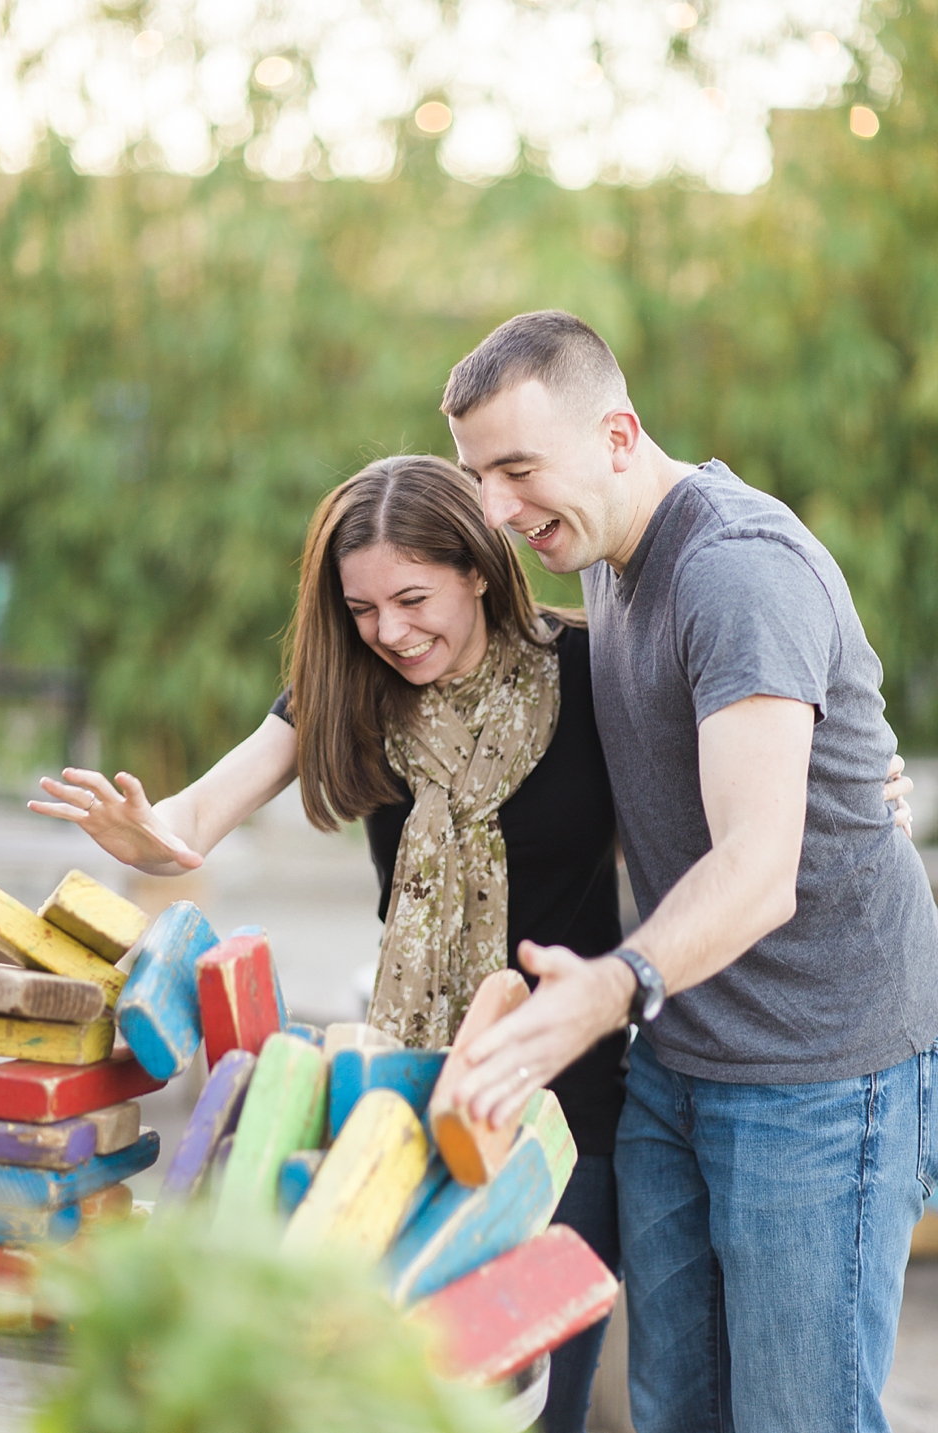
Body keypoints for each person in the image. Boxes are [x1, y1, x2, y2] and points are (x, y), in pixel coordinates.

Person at [31, 453, 628, 1430]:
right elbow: (199, 810)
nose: (389, 631)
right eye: (362, 608)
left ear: (478, 564)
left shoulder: (595, 671)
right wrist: (153, 831)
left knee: (536, 1409)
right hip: (393, 1103)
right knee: (391, 1403)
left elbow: (730, 768)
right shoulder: (349, 686)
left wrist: (872, 781)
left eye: (412, 597)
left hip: (566, 1113)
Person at [438, 309, 938, 1433]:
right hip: (682, 1057)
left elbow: (761, 870)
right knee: (679, 1411)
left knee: (796, 1416)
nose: (500, 510)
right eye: (481, 476)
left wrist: (605, 990)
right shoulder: (608, 555)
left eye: (519, 468)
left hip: (821, 1068)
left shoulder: (736, 572)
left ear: (618, 436)